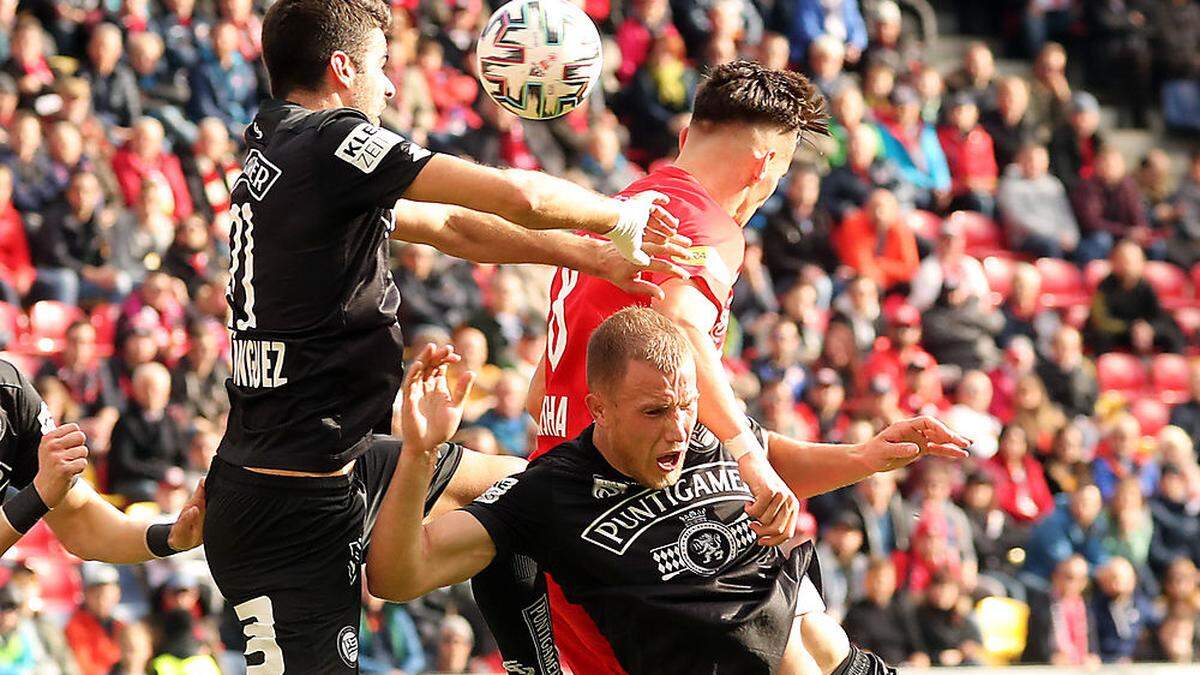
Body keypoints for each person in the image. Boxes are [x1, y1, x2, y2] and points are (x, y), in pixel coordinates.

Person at [201, 1, 689, 671]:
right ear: (342, 68)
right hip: (286, 513)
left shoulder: (277, 141)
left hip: (331, 463)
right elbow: (515, 196)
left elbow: (453, 228)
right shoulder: (331, 141)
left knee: (530, 497)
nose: (392, 84)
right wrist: (619, 216)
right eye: (380, 65)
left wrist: (594, 258)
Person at [366, 308, 969, 674]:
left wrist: (865, 457)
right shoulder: (548, 493)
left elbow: (777, 461)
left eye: (686, 406)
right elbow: (398, 576)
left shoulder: (712, 434)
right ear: (597, 408)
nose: (679, 428)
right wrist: (419, 454)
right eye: (655, 411)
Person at [1022, 555, 1101, 666]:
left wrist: (1092, 657)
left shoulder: (1085, 608)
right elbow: (1038, 643)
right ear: (1056, 577)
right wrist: (1051, 658)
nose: (1074, 584)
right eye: (1069, 577)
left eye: (1081, 579)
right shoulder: (1042, 605)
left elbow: (1092, 646)